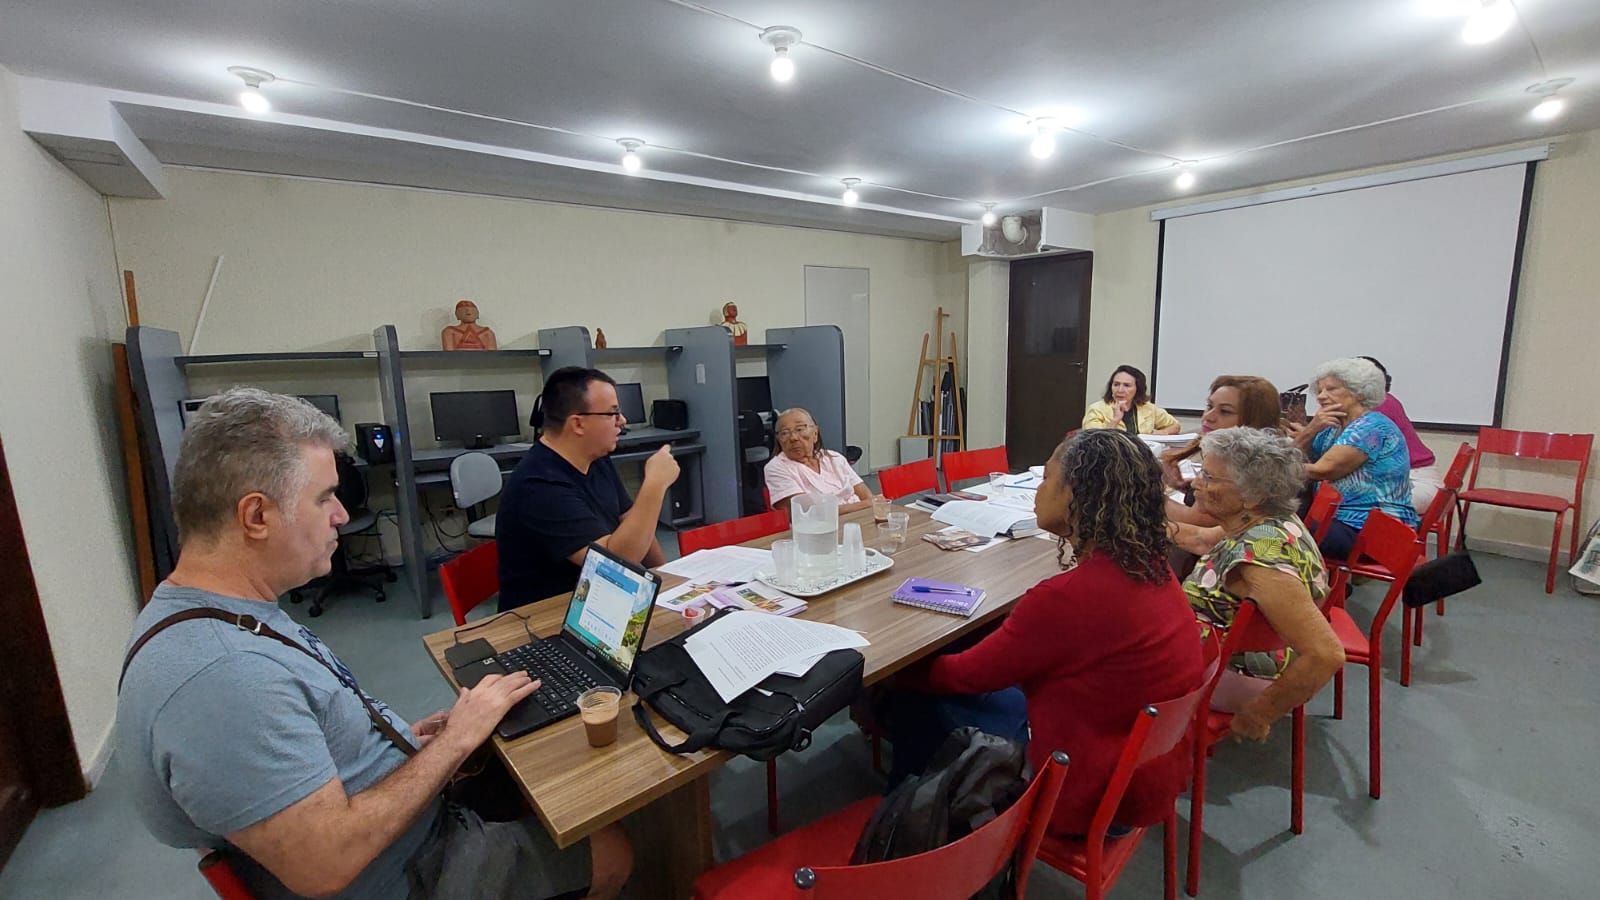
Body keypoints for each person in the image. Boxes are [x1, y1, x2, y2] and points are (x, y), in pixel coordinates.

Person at [115, 388, 631, 900]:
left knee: (526, 758)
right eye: (324, 498)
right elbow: (326, 865)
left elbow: (300, 743)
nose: (341, 515)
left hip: (391, 827)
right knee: (612, 847)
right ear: (256, 516)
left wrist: (407, 738)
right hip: (412, 870)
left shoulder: (208, 611)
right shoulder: (225, 678)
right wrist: (455, 743)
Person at [885, 430, 1205, 836]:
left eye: (1047, 479)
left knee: (916, 697)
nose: (1038, 490)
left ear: (1075, 496)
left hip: (1083, 793)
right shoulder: (1150, 565)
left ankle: (907, 826)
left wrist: (900, 670)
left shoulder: (1068, 598)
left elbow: (961, 676)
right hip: (1142, 774)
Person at [1174, 427, 1345, 731]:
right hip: (1223, 657)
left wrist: (1259, 715)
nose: (1196, 483)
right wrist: (1129, 522)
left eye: (1210, 478)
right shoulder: (1264, 522)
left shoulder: (1262, 560)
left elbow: (1325, 654)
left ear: (1252, 495)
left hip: (1229, 673)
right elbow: (1200, 538)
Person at [497, 367, 679, 610]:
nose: (622, 421)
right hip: (546, 616)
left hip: (596, 597)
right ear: (578, 423)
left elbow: (633, 523)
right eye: (612, 414)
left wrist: (666, 579)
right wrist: (655, 485)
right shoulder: (539, 485)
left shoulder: (595, 458)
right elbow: (614, 565)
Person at [1287, 357, 1419, 558]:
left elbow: (1322, 470)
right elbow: (1299, 457)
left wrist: (1267, 468)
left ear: (1358, 392)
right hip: (1338, 521)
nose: (1322, 397)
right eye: (1320, 390)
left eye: (1331, 389)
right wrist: (1308, 434)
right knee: (1271, 521)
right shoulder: (1332, 427)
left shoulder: (1371, 427)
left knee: (1275, 534)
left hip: (1372, 531)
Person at [1163, 375, 1284, 528]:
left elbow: (1195, 523)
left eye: (1225, 412)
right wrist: (1188, 488)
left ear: (1253, 421)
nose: (1208, 417)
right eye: (1209, 406)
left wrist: (1142, 492)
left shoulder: (1254, 466)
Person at [1358, 356, 1441, 516]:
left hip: (1415, 482)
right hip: (1398, 480)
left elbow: (1351, 452)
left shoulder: (1380, 404)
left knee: (1350, 504)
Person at [762, 408, 880, 513]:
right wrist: (865, 504)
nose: (793, 438)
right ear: (778, 440)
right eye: (785, 433)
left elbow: (867, 496)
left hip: (859, 521)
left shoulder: (834, 458)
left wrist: (867, 504)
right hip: (816, 531)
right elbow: (811, 512)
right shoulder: (776, 467)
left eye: (800, 429)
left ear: (815, 433)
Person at [1081, 365, 1181, 434]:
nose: (1120, 390)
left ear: (1137, 389)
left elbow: (1175, 426)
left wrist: (1163, 432)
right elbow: (1093, 441)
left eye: (1127, 385)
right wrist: (1115, 420)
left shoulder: (1148, 408)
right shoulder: (1096, 409)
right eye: (1116, 384)